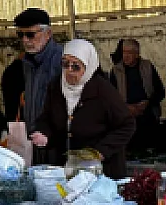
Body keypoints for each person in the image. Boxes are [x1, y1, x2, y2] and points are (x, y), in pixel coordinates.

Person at [30, 39, 136, 177]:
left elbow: (127, 125)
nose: (69, 70)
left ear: (88, 67)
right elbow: (47, 118)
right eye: (65, 64)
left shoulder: (103, 90)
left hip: (101, 172)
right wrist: (44, 133)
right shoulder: (55, 86)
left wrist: (100, 152)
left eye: (76, 66)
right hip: (66, 168)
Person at [0, 7, 65, 135]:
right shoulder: (27, 63)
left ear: (48, 34)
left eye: (30, 35)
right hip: (34, 139)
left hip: (55, 140)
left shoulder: (63, 61)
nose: (25, 40)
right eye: (21, 35)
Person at [112, 37, 166, 157]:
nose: (125, 56)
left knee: (149, 153)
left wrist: (147, 103)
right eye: (124, 52)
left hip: (148, 119)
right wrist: (127, 107)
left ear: (137, 54)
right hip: (127, 120)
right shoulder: (116, 71)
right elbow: (111, 98)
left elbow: (160, 91)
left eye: (129, 53)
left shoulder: (147, 66)